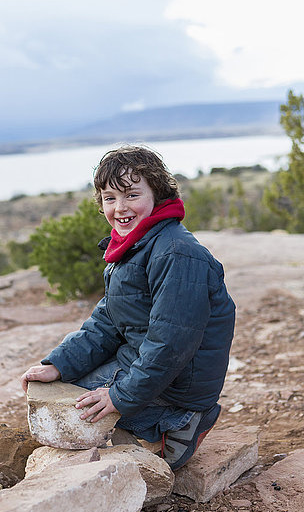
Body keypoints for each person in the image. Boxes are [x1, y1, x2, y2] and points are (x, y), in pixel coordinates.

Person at [21, 145, 235, 470]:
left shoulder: (175, 253)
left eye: (131, 195)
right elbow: (107, 320)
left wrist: (118, 396)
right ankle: (146, 419)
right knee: (65, 385)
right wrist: (60, 364)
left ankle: (179, 421)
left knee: (77, 405)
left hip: (179, 384)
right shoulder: (137, 244)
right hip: (147, 360)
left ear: (157, 194)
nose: (120, 207)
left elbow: (170, 345)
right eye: (110, 198)